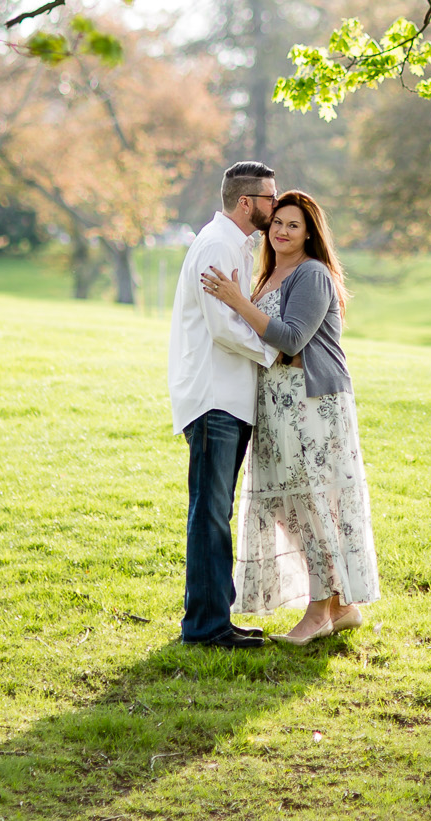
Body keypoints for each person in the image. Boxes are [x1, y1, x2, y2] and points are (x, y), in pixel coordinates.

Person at [201, 191, 380, 644]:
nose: (281, 230)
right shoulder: (269, 274)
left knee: (314, 502)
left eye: (293, 225)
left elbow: (292, 338)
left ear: (309, 233)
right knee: (285, 504)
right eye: (277, 222)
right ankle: (341, 605)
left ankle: (319, 611)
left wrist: (237, 300)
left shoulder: (313, 274)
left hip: (311, 403)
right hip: (276, 402)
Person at [167, 160, 278, 649]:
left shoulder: (234, 245)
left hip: (228, 398)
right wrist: (276, 349)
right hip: (214, 398)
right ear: (246, 202)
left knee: (215, 511)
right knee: (210, 512)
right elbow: (222, 328)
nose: (276, 207)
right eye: (270, 198)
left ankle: (215, 618)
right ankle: (206, 627)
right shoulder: (217, 245)